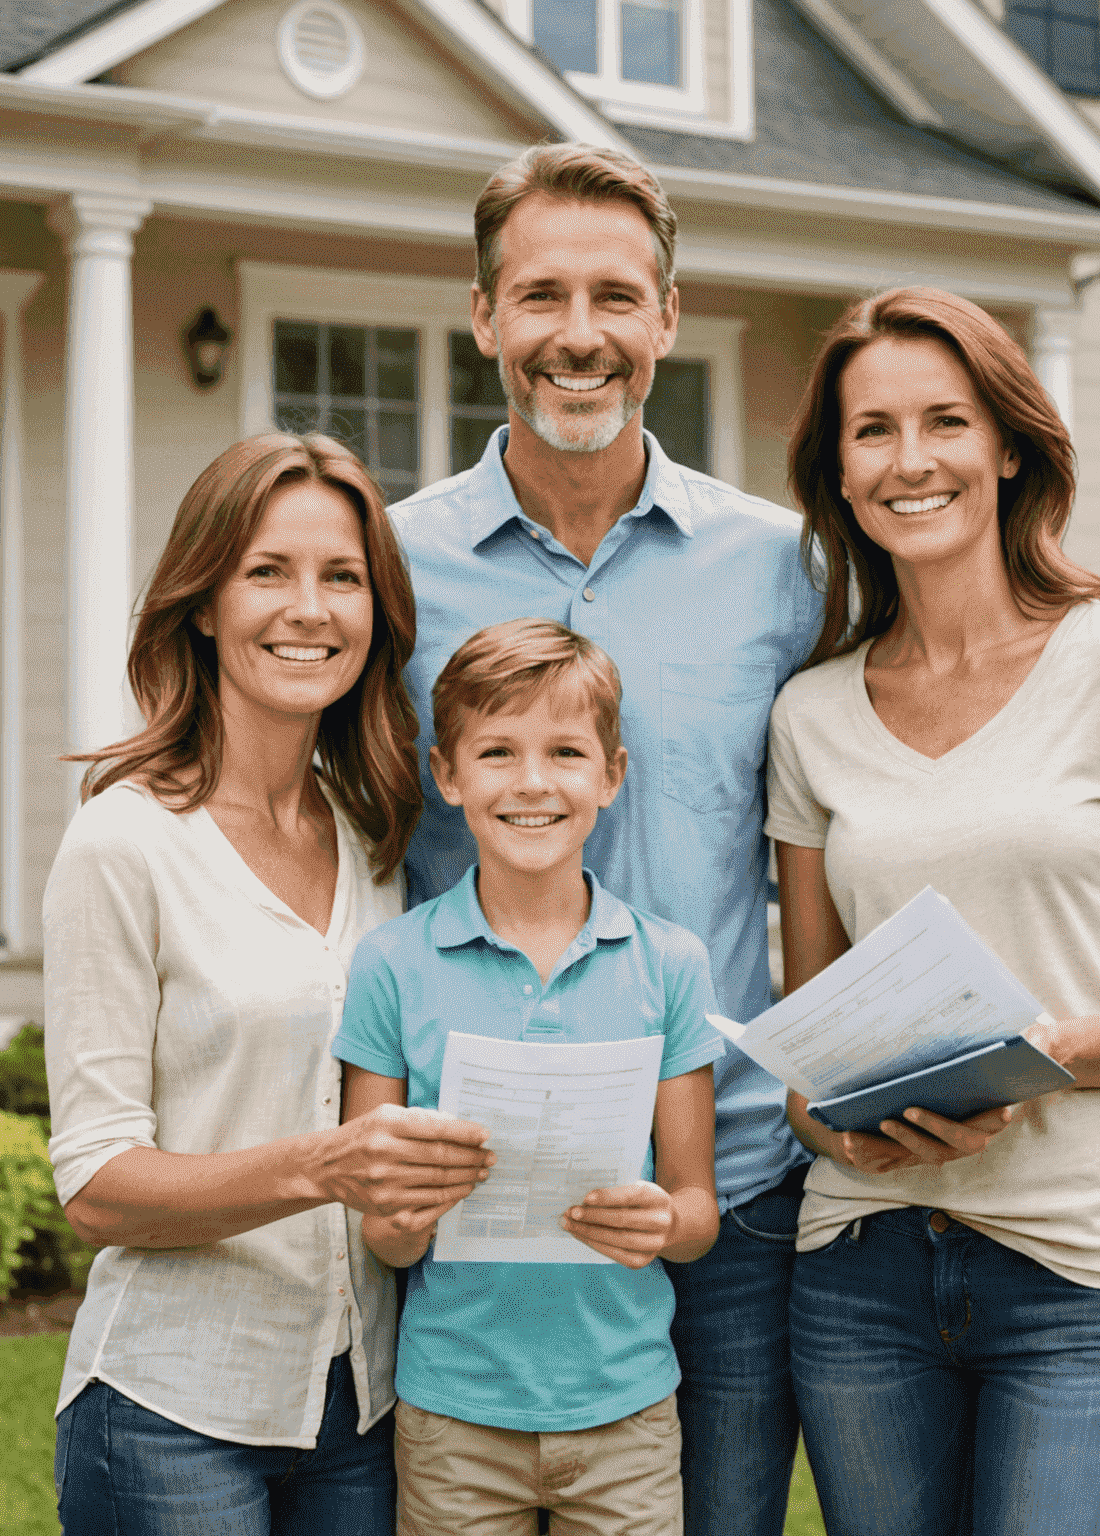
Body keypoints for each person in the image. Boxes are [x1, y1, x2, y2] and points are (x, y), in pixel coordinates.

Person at [389, 143, 1100, 1536]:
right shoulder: (391, 576)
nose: (580, 336)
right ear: (484, 317)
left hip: (747, 1188)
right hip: (487, 1196)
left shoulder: (786, 573)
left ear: (668, 319)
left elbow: (925, 775)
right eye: (542, 298)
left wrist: (1096, 987)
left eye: (616, 298)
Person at [768, 288, 1100, 1536]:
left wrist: (1059, 1047)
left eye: (945, 421)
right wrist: (840, 1132)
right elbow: (809, 1033)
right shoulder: (810, 714)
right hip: (860, 1271)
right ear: (838, 470)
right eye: (873, 430)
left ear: (1007, 442)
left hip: (1079, 1274)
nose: (911, 461)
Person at [44, 434, 495, 1536]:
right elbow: (95, 1184)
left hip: (363, 1411)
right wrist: (322, 1165)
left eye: (342, 578)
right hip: (171, 1415)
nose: (310, 609)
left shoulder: (378, 844)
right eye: (267, 573)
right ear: (203, 603)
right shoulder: (125, 844)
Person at [333, 618, 724, 1534]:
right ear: (448, 775)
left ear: (612, 774)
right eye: (498, 752)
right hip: (455, 1412)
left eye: (565, 752)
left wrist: (665, 1221)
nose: (534, 782)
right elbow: (379, 1232)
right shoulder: (393, 965)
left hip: (625, 1409)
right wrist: (400, 1216)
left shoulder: (669, 965)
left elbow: (698, 1210)